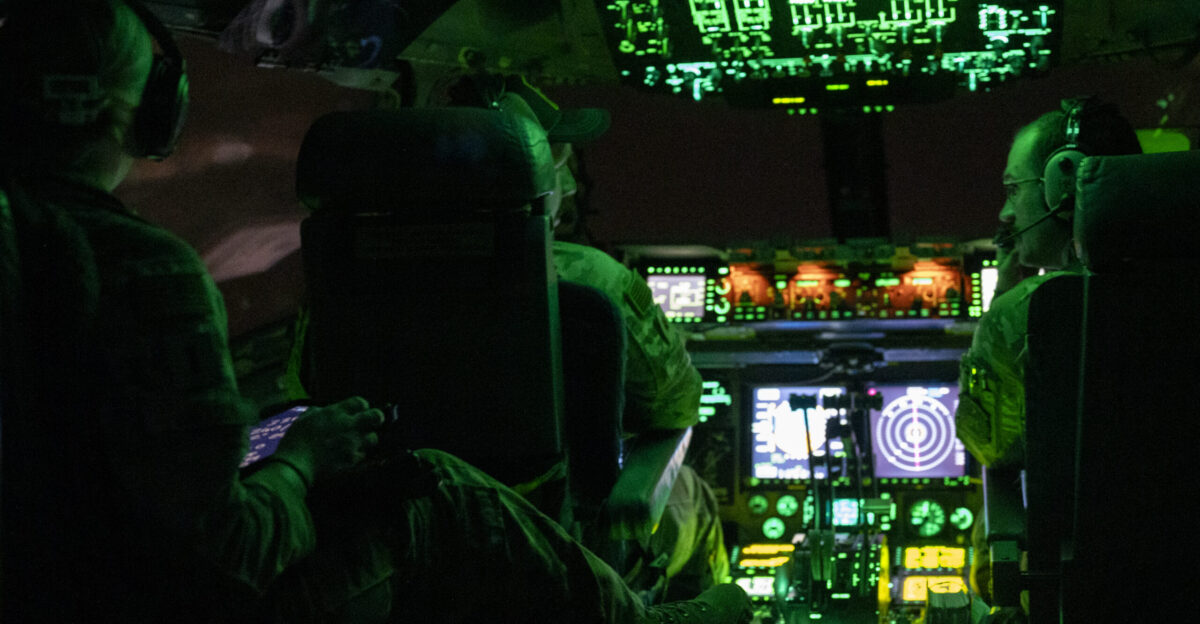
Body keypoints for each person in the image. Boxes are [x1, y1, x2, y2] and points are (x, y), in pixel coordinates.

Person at [0, 3, 753, 623]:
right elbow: (228, 550)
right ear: (155, 110)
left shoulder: (337, 279)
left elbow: (307, 389)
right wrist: (298, 464)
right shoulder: (140, 269)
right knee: (440, 486)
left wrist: (294, 448)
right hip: (173, 598)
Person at [456, 73, 732, 602]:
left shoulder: (349, 278)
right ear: (530, 173)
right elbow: (676, 406)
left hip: (430, 538)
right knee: (694, 494)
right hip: (566, 543)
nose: (575, 185)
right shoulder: (592, 279)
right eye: (560, 161)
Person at [954, 98, 1142, 613]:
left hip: (1067, 594)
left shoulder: (1028, 315)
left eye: (1014, 189)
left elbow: (986, 442)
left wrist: (1001, 303)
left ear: (1064, 185)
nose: (1004, 212)